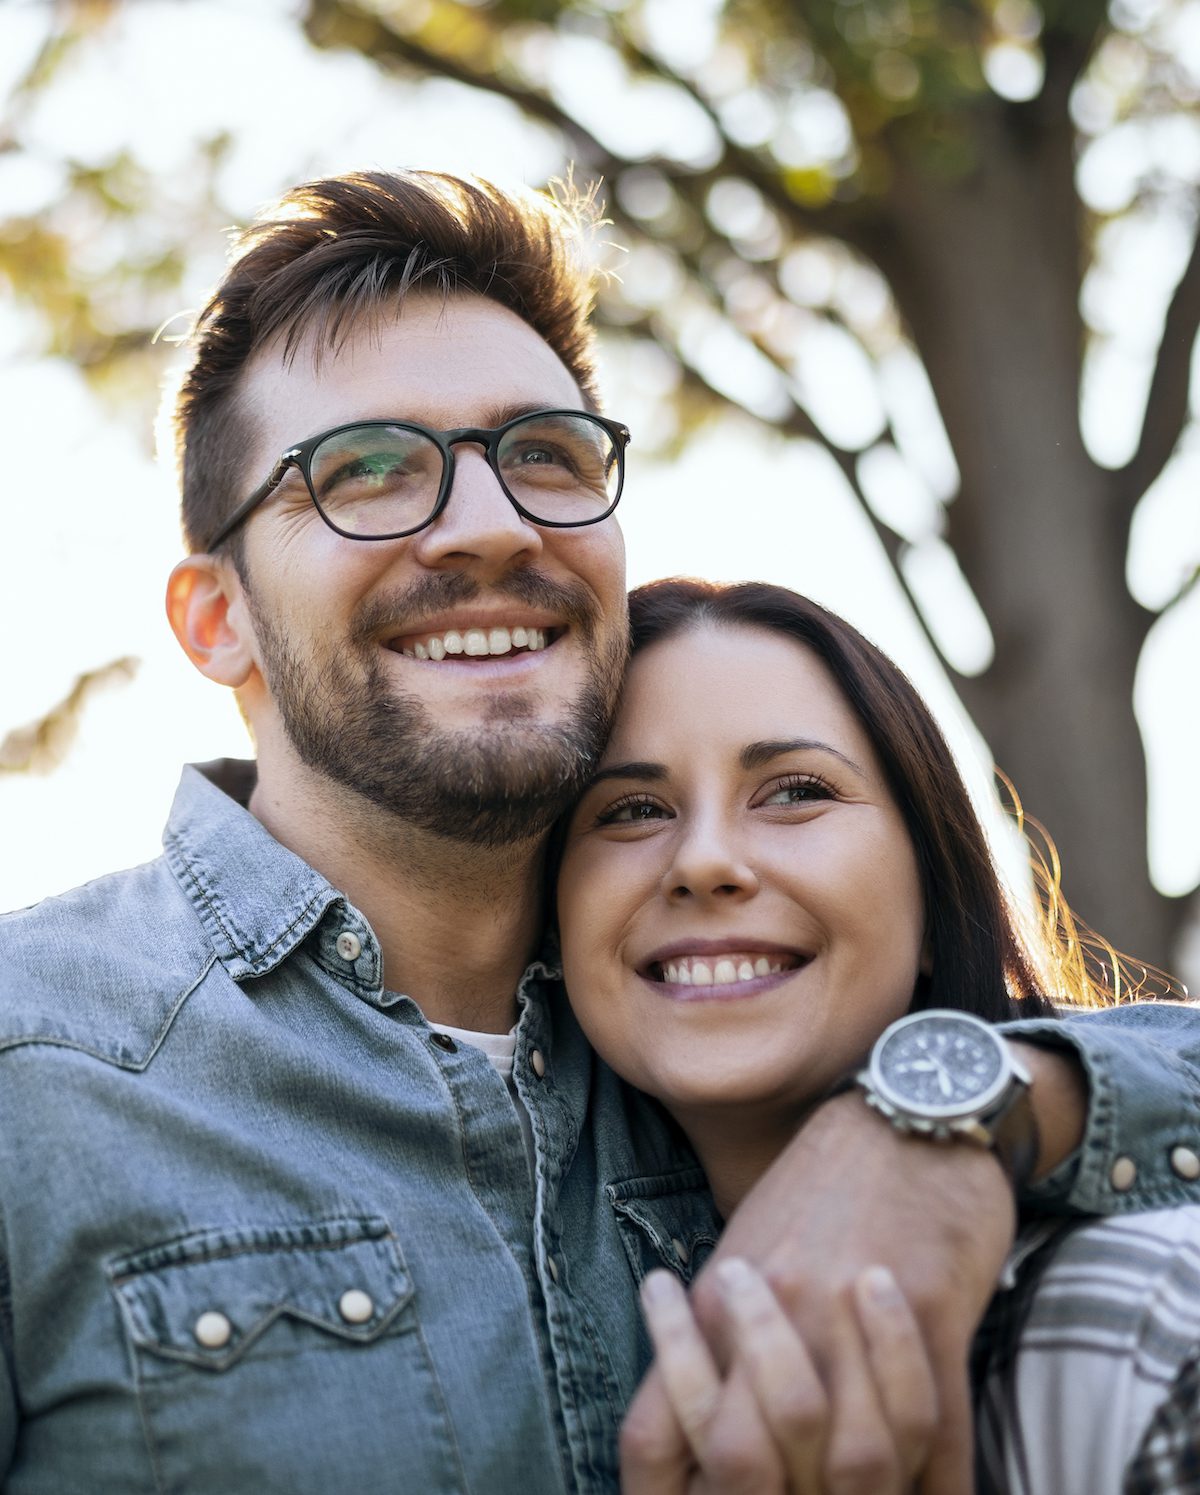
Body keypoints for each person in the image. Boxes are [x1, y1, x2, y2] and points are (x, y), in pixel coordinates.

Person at [0, 170, 1198, 1494]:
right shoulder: (32, 1072)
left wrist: (954, 1116)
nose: (490, 524)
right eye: (369, 472)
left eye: (545, 457)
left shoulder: (716, 1032)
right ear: (214, 615)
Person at [556, 576, 1200, 1494]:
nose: (702, 860)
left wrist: (927, 1121)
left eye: (796, 792)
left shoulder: (1153, 1325)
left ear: (934, 903)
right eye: (630, 809)